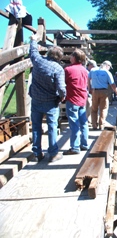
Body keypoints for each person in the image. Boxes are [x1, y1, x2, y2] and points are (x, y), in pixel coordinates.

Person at [29, 34, 66, 163]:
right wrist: (62, 97)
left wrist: (33, 40)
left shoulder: (38, 61)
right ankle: (53, 154)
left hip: (36, 100)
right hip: (51, 102)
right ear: (59, 57)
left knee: (36, 127)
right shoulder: (58, 69)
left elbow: (33, 51)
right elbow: (61, 88)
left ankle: (37, 153)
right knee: (52, 127)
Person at [63, 49, 89, 155]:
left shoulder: (68, 69)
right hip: (82, 99)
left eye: (71, 55)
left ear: (75, 58)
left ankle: (74, 147)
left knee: (74, 124)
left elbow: (62, 83)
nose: (70, 57)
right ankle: (84, 144)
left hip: (73, 99)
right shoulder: (85, 70)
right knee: (84, 123)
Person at [88, 60, 117, 130]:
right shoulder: (107, 72)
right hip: (104, 91)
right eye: (109, 67)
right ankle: (101, 125)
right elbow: (112, 85)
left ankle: (94, 125)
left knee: (94, 109)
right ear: (107, 65)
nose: (109, 68)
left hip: (95, 91)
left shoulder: (93, 70)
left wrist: (90, 88)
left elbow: (88, 79)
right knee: (103, 109)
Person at [86, 59, 98, 124]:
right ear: (90, 65)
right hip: (86, 91)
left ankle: (88, 119)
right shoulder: (87, 72)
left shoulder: (90, 72)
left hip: (89, 91)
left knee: (89, 105)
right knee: (89, 105)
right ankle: (87, 120)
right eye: (93, 66)